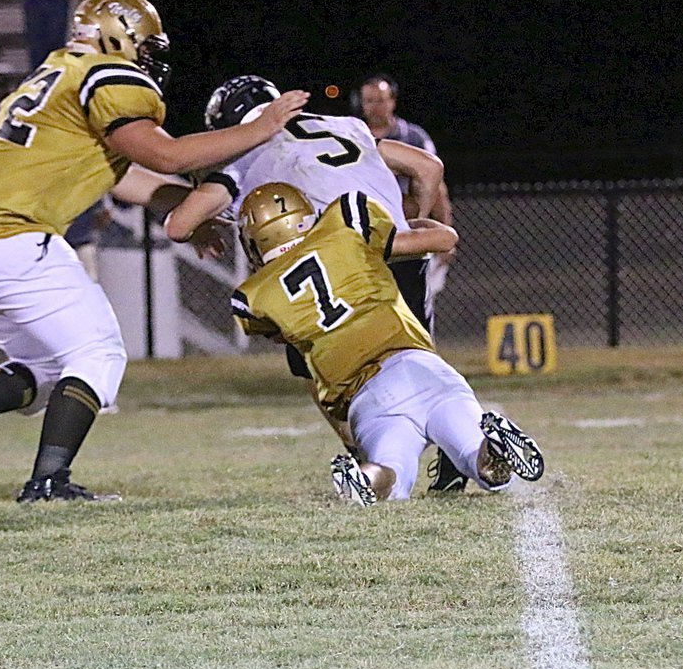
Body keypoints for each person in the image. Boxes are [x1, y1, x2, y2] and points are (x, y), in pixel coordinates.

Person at [0, 0, 308, 503]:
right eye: (145, 46)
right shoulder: (107, 75)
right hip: (12, 232)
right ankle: (48, 483)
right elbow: (168, 156)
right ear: (116, 34)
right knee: (98, 354)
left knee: (52, 367)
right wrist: (260, 127)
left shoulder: (57, 72)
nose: (148, 60)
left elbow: (125, 177)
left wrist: (186, 208)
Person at [164, 74, 471, 493]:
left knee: (320, 365)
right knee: (415, 352)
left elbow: (178, 224)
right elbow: (427, 166)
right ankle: (456, 445)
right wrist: (404, 214)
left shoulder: (244, 153)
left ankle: (366, 461)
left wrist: (204, 224)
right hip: (395, 246)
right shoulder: (346, 125)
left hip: (331, 266)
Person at [231, 182, 544, 502]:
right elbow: (444, 237)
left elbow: (277, 332)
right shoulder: (346, 221)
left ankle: (366, 479)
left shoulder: (251, 297)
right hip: (419, 366)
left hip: (366, 397)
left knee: (390, 476)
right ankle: (492, 452)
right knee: (476, 457)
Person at [356, 73, 455, 333]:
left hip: (406, 230)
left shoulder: (412, 136)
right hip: (367, 235)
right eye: (369, 100)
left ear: (393, 101)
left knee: (415, 307)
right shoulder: (353, 136)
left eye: (380, 100)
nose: (374, 106)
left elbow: (437, 186)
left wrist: (442, 227)